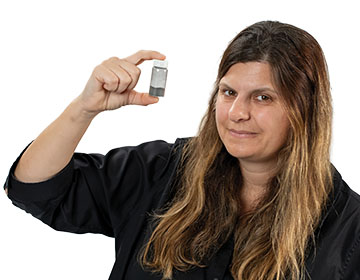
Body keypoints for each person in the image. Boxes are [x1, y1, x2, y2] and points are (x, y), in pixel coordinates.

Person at [4, 20, 360, 280]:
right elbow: (34, 188)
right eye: (228, 92)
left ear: (305, 109)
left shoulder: (348, 231)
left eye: (262, 97)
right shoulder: (160, 172)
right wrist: (84, 108)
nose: (237, 113)